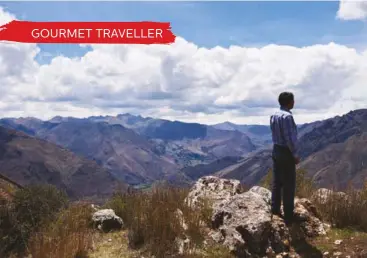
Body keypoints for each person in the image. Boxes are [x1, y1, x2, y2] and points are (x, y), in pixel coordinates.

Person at [270, 92, 299, 226]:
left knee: (277, 182)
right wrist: (295, 154)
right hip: (286, 152)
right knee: (289, 184)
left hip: (276, 149)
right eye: (293, 100)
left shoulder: (274, 115)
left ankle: (275, 210)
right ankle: (288, 216)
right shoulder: (287, 117)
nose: (294, 102)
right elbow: (289, 138)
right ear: (289, 102)